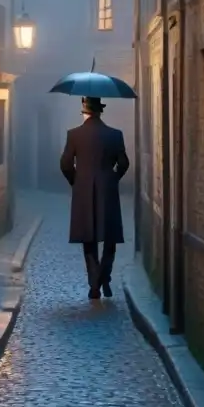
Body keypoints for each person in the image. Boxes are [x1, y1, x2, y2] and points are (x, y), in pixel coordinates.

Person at [59, 96, 130, 300]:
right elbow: (124, 163)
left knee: (88, 239)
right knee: (109, 238)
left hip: (83, 190)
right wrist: (113, 178)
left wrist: (77, 181)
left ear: (84, 112)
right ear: (100, 112)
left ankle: (94, 284)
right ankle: (104, 277)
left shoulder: (74, 134)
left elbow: (65, 164)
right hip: (108, 189)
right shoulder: (115, 135)